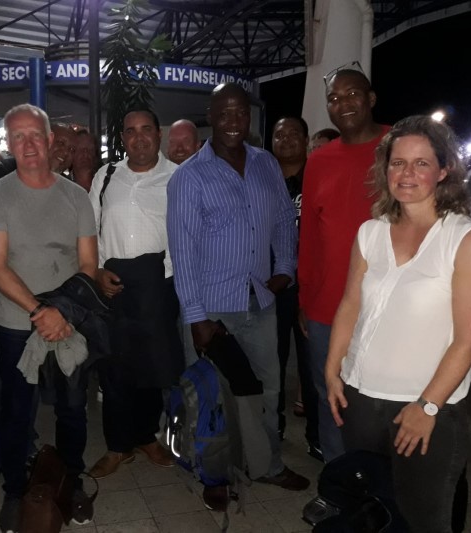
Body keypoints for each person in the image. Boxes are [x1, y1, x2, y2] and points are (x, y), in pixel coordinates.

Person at [326, 115, 471, 531]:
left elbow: (469, 340)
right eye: (397, 162)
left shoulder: (466, 239)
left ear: (443, 170)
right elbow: (350, 304)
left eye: (421, 163)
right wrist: (332, 369)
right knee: (370, 514)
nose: (406, 173)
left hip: (423, 406)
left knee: (423, 520)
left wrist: (427, 406)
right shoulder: (371, 231)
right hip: (360, 399)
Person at [167, 83, 309, 490]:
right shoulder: (189, 177)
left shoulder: (265, 164)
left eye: (241, 112)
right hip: (210, 308)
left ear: (250, 117)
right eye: (225, 113)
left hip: (259, 302)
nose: (233, 121)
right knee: (210, 395)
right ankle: (212, 472)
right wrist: (196, 318)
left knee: (266, 390)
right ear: (210, 116)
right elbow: (183, 252)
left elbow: (283, 220)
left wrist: (285, 267)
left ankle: (267, 465)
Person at [0, 104, 98, 532]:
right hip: (16, 325)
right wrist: (40, 311)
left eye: (34, 135)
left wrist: (62, 312)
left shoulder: (76, 196)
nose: (27, 144)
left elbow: (88, 266)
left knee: (73, 410)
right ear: (9, 144)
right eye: (17, 136)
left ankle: (72, 481)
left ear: (49, 141)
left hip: (68, 324)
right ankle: (14, 491)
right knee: (16, 413)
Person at [298, 66, 390, 462]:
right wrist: (305, 298)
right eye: (334, 98)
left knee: (383, 400)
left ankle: (381, 486)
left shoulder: (399, 147)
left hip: (388, 307)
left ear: (371, 98)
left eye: (352, 94)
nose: (343, 103)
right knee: (330, 397)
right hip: (327, 308)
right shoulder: (319, 161)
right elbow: (310, 237)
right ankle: (339, 484)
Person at [87, 108, 183, 479]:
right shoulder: (107, 175)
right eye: (130, 131)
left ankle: (146, 436)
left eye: (146, 130)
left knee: (151, 365)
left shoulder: (176, 177)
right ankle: (117, 446)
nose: (138, 138)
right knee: (113, 368)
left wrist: (166, 277)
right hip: (109, 283)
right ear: (122, 138)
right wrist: (96, 270)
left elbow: (184, 232)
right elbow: (90, 228)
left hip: (157, 283)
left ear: (158, 135)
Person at [270, 116, 321, 461]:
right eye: (279, 135)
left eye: (293, 134)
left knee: (312, 367)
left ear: (305, 140)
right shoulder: (264, 179)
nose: (286, 140)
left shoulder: (318, 177)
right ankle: (272, 429)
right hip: (273, 287)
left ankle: (317, 437)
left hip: (311, 287)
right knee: (270, 364)